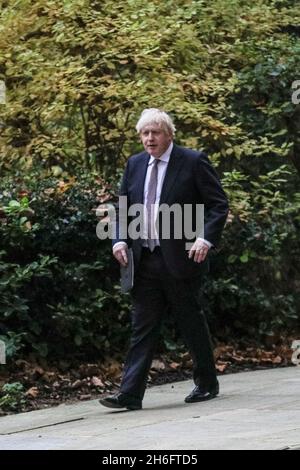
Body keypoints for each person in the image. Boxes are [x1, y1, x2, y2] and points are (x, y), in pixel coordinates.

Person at [100, 108, 229, 411]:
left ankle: (207, 384)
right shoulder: (134, 164)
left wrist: (205, 237)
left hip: (183, 258)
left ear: (169, 134)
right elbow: (122, 208)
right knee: (142, 326)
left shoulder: (193, 162)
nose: (149, 138)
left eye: (155, 132)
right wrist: (119, 239)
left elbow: (218, 204)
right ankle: (130, 394)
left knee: (190, 321)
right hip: (144, 260)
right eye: (144, 133)